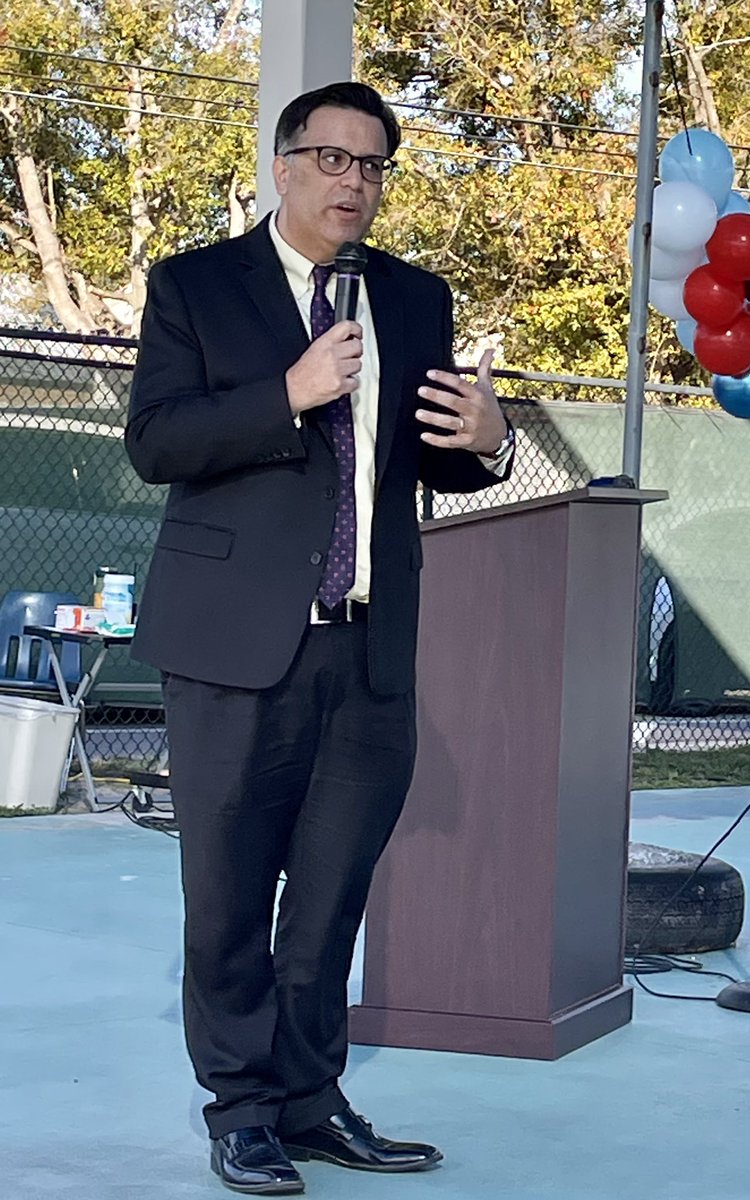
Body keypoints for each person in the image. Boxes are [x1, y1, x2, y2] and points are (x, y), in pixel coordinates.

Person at [125, 81, 514, 1195]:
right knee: (231, 894)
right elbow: (155, 441)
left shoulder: (415, 297)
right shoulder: (196, 285)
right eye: (332, 159)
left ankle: (308, 1098)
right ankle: (240, 1108)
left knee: (332, 892)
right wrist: (286, 391)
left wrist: (488, 441)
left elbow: (429, 457)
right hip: (238, 646)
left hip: (368, 645)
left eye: (372, 165)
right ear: (285, 166)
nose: (353, 181)